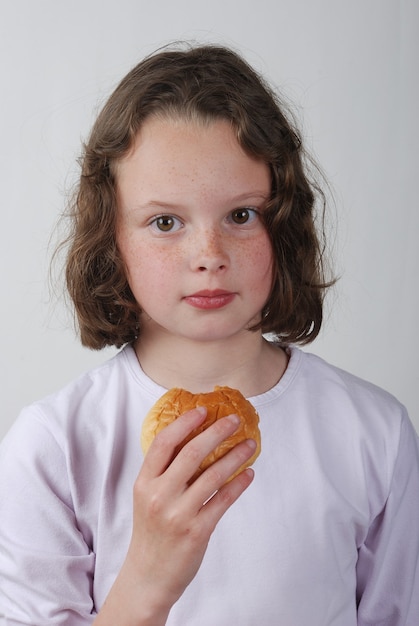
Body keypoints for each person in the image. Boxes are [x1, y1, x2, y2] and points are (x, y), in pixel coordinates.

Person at [0, 43, 418, 626]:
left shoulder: (377, 434)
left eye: (241, 215)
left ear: (284, 222)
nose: (209, 256)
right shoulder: (52, 449)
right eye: (165, 222)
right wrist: (146, 581)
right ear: (111, 236)